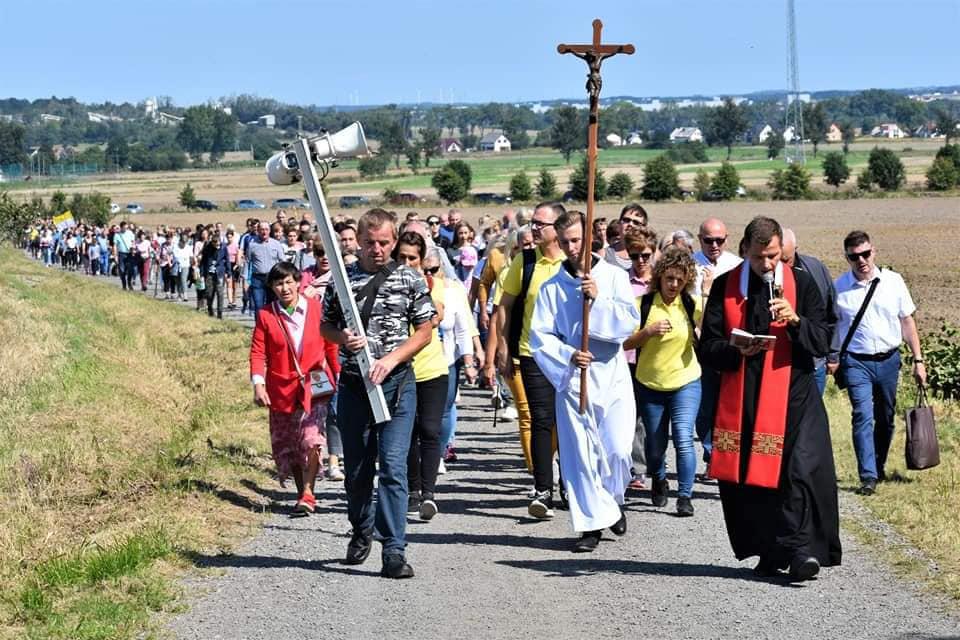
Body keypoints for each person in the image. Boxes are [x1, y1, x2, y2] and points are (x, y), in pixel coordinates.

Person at [700, 215, 841, 581]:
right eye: (761, 257)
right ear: (746, 250)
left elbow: (823, 339)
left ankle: (800, 551)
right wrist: (737, 350)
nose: (767, 265)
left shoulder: (802, 284)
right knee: (753, 479)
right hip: (743, 397)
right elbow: (708, 347)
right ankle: (769, 550)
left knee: (798, 472)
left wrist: (796, 322)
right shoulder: (726, 287)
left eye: (774, 257)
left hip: (794, 395)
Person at [321, 208, 436, 580]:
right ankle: (361, 527)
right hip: (355, 385)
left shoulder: (410, 279)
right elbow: (325, 326)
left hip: (396, 385)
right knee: (356, 471)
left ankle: (394, 550)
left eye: (384, 242)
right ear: (358, 240)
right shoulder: (342, 280)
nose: (377, 249)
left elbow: (423, 331)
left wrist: (391, 359)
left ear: (395, 239)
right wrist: (343, 338)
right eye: (370, 242)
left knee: (392, 467)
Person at [529, 211, 641, 552]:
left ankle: (613, 501)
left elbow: (628, 324)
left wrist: (599, 299)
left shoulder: (612, 276)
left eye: (576, 240)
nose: (571, 247)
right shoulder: (552, 288)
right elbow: (540, 336)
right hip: (576, 377)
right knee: (581, 455)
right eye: (564, 242)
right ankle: (591, 525)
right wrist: (567, 356)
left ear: (589, 238)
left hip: (612, 373)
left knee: (618, 449)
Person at [828, 230, 926, 496]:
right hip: (856, 362)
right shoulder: (839, 288)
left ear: (874, 252)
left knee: (886, 416)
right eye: (854, 256)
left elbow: (907, 322)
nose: (861, 260)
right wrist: (833, 358)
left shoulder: (893, 282)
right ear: (847, 258)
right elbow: (834, 328)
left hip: (889, 360)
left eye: (865, 254)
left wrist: (918, 360)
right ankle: (867, 475)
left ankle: (879, 465)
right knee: (862, 415)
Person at [495, 201, 567, 519]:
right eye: (533, 223)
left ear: (559, 228)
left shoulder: (575, 263)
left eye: (541, 223)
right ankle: (542, 489)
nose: (534, 228)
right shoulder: (524, 262)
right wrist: (501, 346)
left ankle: (572, 483)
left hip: (568, 357)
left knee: (570, 422)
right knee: (541, 420)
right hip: (532, 353)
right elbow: (505, 306)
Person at [250, 262, 336, 515]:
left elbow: (330, 344)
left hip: (315, 384)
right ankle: (302, 492)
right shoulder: (266, 315)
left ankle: (308, 493)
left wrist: (336, 374)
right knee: (291, 443)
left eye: (289, 282)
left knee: (311, 439)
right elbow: (258, 353)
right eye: (278, 283)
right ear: (272, 287)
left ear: (299, 282)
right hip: (281, 389)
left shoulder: (316, 309)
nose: (284, 288)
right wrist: (258, 384)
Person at [625, 247, 702, 516]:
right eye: (670, 278)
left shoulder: (691, 305)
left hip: (686, 380)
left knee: (682, 437)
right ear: (660, 277)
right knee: (655, 447)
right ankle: (658, 478)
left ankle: (684, 496)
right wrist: (647, 332)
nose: (674, 285)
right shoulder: (643, 306)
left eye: (680, 280)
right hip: (650, 384)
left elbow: (709, 330)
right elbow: (625, 342)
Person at [393, 233, 449, 521]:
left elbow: (437, 313)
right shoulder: (387, 288)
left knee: (429, 430)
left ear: (421, 259)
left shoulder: (433, 285)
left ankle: (428, 493)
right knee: (408, 433)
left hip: (432, 370)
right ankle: (413, 490)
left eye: (412, 258)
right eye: (401, 258)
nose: (406, 263)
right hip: (402, 370)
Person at [693, 217, 742, 475]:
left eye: (719, 240)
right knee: (705, 406)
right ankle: (710, 447)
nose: (714, 245)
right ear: (699, 239)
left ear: (727, 239)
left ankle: (721, 456)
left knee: (729, 405)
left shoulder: (737, 266)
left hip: (729, 345)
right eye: (708, 240)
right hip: (698, 347)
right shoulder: (690, 266)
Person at [622, 227, 658, 490]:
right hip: (629, 357)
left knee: (654, 417)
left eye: (645, 254)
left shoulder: (663, 282)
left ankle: (656, 465)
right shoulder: (622, 281)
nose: (641, 261)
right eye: (635, 256)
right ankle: (638, 469)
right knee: (633, 417)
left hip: (657, 358)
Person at [781, 228, 837, 396]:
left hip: (815, 361)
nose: (783, 266)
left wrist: (833, 354)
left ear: (796, 249)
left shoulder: (815, 269)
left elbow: (831, 312)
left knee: (812, 415)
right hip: (783, 361)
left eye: (787, 259)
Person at [246, 222, 286, 316]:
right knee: (258, 305)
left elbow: (282, 260)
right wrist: (245, 280)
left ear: (269, 231)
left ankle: (271, 325)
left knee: (272, 304)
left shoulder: (276, 244)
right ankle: (260, 327)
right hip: (257, 279)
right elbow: (247, 262)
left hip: (272, 278)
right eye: (262, 230)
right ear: (258, 231)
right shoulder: (252, 245)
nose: (264, 232)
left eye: (266, 229)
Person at [604, 204, 648, 270]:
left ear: (644, 228)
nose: (630, 224)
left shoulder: (652, 255)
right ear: (619, 223)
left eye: (636, 222)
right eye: (626, 220)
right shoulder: (604, 255)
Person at [113, 221, 136, 290]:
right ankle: (124, 284)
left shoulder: (130, 233)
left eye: (126, 227)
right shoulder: (117, 235)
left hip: (129, 253)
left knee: (130, 269)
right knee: (122, 270)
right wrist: (115, 255)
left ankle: (129, 282)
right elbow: (115, 245)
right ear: (121, 227)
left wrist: (133, 248)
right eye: (124, 228)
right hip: (121, 254)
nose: (125, 229)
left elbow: (133, 242)